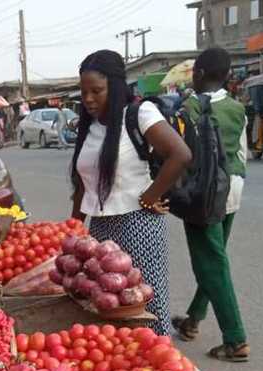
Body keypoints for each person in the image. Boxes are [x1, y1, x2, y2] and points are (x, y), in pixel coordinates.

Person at [70, 50, 191, 337]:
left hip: (138, 223)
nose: (88, 99)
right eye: (84, 92)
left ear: (115, 86)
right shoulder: (89, 127)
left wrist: (151, 194)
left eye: (96, 91)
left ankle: (162, 369)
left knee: (146, 303)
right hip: (100, 229)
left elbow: (180, 154)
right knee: (107, 308)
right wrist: (72, 227)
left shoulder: (139, 114)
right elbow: (82, 184)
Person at [172, 48, 250, 363]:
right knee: (215, 257)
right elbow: (244, 153)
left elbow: (179, 155)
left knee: (210, 263)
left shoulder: (188, 107)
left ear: (200, 74)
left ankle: (235, 339)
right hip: (232, 188)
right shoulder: (237, 108)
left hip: (204, 194)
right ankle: (193, 319)